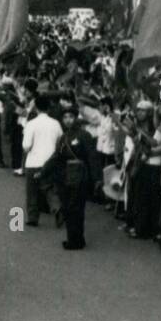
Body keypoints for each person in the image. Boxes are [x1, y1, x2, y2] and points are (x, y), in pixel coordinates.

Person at [22, 95, 65, 226]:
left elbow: (26, 145)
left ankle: (33, 217)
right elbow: (61, 141)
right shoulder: (56, 123)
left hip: (34, 161)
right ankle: (57, 208)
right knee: (49, 188)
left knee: (32, 191)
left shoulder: (31, 124)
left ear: (36, 108)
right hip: (50, 161)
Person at [57, 104, 92, 250]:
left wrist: (96, 180)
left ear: (76, 118)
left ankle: (76, 241)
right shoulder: (63, 137)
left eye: (71, 117)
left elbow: (92, 157)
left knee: (76, 208)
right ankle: (74, 238)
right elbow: (57, 158)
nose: (68, 120)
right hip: (66, 176)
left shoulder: (84, 135)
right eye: (65, 117)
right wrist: (45, 171)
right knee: (68, 207)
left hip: (80, 175)